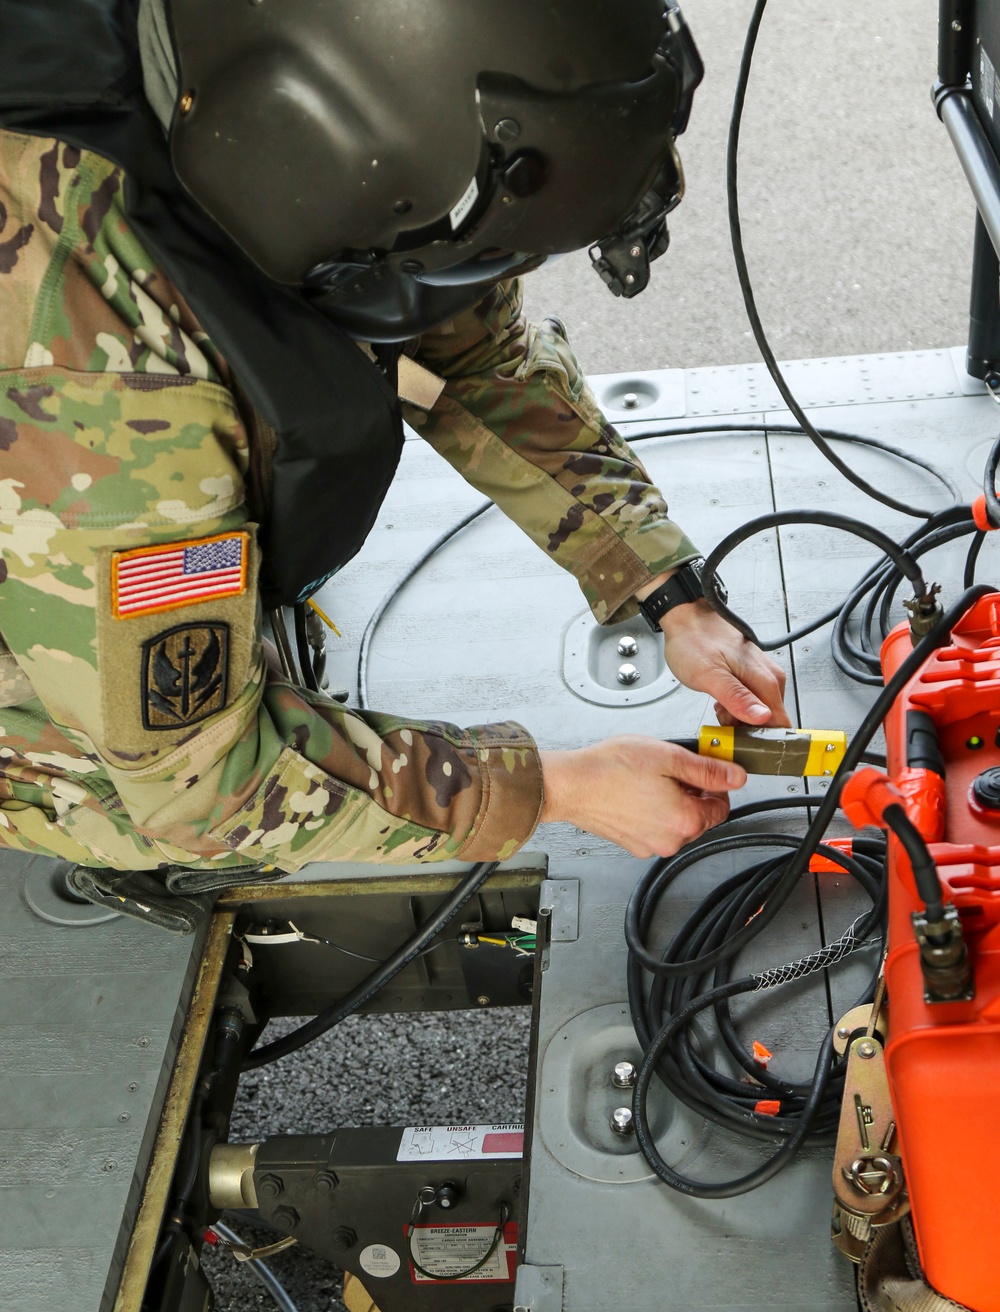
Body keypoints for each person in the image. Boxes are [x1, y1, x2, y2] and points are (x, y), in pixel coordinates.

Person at [0, 0, 787, 880]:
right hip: (61, 488)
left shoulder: (293, 130)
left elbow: (472, 357)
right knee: (144, 792)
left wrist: (664, 585)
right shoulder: (106, 378)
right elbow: (204, 789)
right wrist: (554, 789)